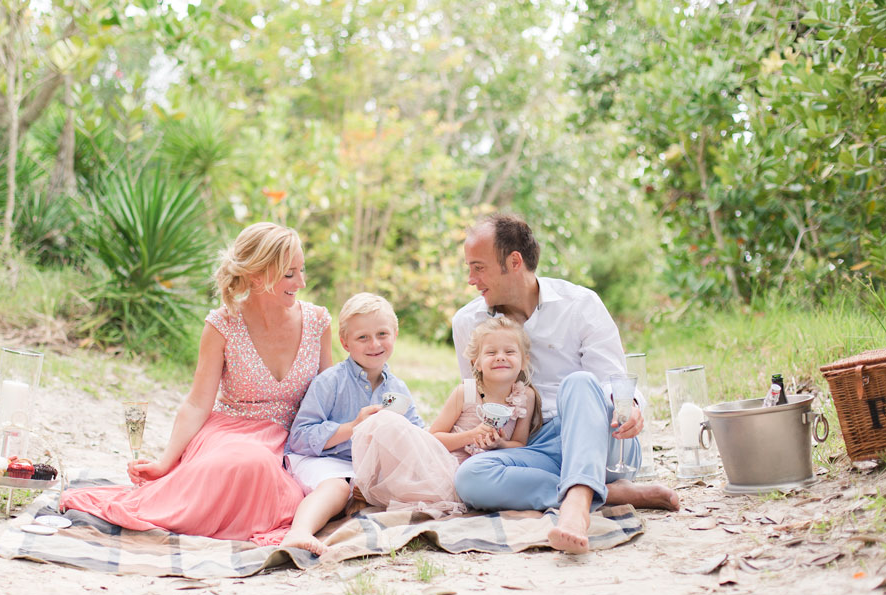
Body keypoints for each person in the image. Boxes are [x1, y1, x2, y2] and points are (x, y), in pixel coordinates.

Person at [59, 222, 332, 545]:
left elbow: (329, 397)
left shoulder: (317, 322)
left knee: (275, 476)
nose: (301, 282)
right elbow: (197, 403)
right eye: (290, 274)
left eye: (302, 271)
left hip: (290, 442)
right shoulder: (223, 324)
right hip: (229, 434)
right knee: (249, 462)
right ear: (258, 276)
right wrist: (165, 462)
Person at [452, 213, 679, 554]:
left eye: (478, 267)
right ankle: (604, 492)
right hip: (532, 446)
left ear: (514, 262)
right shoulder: (468, 322)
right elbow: (477, 398)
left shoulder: (581, 305)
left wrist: (629, 407)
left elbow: (612, 383)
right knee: (470, 478)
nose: (471, 279)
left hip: (603, 440)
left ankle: (575, 508)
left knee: (580, 382)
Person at [350, 316, 538, 517]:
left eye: (509, 352)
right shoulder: (465, 392)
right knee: (388, 423)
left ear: (524, 361)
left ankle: (383, 490)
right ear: (477, 363)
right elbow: (434, 438)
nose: (500, 357)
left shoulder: (526, 396)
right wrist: (471, 436)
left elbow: (520, 444)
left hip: (482, 474)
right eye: (491, 352)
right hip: (443, 467)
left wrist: (499, 445)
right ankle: (373, 486)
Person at [281, 293, 423, 555]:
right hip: (323, 460)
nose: (374, 344)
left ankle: (359, 498)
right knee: (338, 486)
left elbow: (417, 435)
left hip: (362, 466)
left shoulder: (397, 389)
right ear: (345, 342)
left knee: (408, 481)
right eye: (362, 337)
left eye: (382, 334)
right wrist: (352, 426)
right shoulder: (330, 381)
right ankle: (299, 531)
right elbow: (299, 437)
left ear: (395, 334)